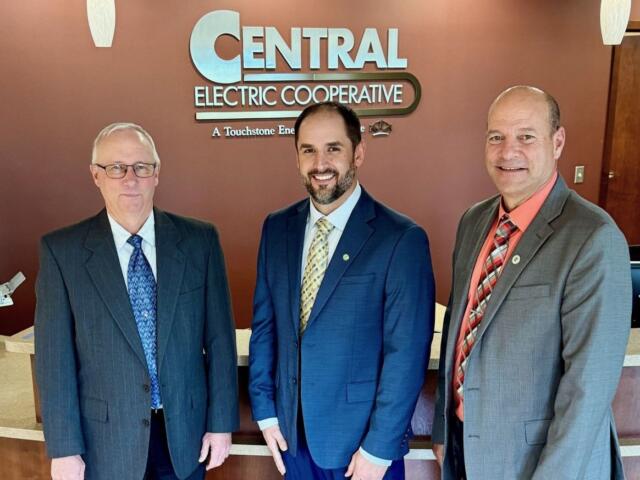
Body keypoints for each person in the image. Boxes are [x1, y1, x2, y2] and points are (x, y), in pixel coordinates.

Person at [432, 86, 632, 479]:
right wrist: (444, 429)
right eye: (497, 137)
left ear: (557, 142)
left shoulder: (592, 237)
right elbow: (458, 328)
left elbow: (586, 393)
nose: (508, 152)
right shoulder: (474, 221)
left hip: (541, 466)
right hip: (467, 452)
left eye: (526, 136)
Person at [34, 123, 239, 480]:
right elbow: (55, 361)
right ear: (95, 175)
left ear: (156, 174)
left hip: (185, 436)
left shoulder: (199, 241)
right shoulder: (61, 251)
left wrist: (221, 424)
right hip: (105, 443)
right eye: (116, 167)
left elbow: (220, 340)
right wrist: (65, 448)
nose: (130, 178)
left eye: (141, 167)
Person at [248, 102, 435, 480]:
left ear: (358, 153)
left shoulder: (401, 239)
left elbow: (407, 354)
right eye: (308, 150)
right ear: (296, 157)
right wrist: (266, 411)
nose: (321, 163)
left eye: (333, 148)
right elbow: (265, 325)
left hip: (361, 451)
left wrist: (379, 449)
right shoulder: (277, 228)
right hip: (293, 442)